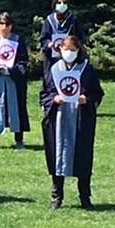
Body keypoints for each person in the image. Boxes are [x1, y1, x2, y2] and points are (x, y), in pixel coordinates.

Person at [41, 34, 102, 209]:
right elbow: (44, 94)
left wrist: (87, 99)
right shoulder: (53, 70)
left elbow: (97, 93)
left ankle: (85, 196)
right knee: (57, 155)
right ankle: (57, 196)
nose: (69, 53)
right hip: (58, 118)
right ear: (60, 49)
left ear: (78, 51)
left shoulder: (86, 69)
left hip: (80, 118)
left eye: (72, 50)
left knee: (82, 157)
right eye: (66, 49)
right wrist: (54, 99)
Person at [0, 12, 30, 150]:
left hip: (14, 80)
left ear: (11, 26)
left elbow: (23, 61)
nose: (3, 27)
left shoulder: (18, 41)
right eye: (1, 24)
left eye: (6, 24)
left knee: (17, 108)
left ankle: (19, 140)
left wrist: (10, 70)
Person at [40, 0, 80, 70]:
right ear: (54, 4)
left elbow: (79, 38)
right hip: (52, 58)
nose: (62, 5)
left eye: (64, 3)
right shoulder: (49, 20)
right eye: (59, 2)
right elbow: (43, 38)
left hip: (69, 57)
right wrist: (48, 44)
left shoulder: (73, 20)